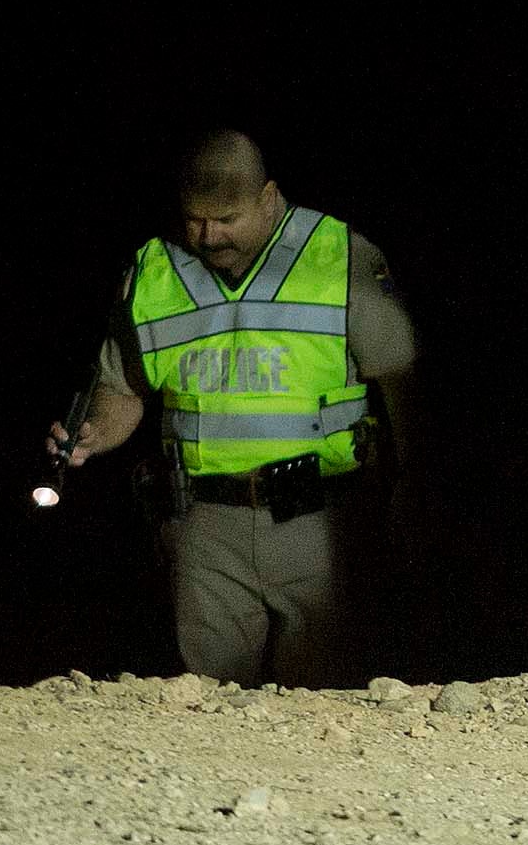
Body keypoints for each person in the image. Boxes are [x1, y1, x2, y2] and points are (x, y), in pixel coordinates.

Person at [47, 129, 421, 685]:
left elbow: (402, 380)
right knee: (211, 700)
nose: (208, 234)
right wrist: (95, 433)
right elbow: (124, 389)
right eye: (195, 218)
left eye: (227, 219)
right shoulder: (155, 270)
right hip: (203, 526)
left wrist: (413, 489)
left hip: (318, 523)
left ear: (268, 197)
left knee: (321, 696)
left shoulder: (339, 254)